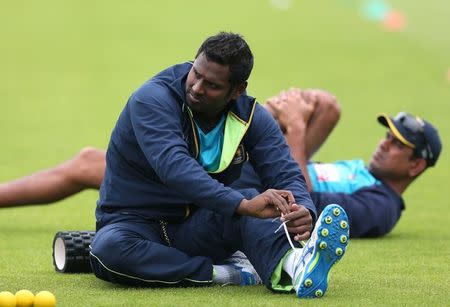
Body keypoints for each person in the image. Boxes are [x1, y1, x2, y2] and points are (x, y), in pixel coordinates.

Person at [81, 32, 347, 298]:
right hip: (133, 225)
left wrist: (304, 210)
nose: (196, 87)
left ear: (237, 90)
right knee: (107, 250)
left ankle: (297, 267)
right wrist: (240, 205)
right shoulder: (152, 99)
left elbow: (284, 171)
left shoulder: (252, 116)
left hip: (199, 228)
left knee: (255, 200)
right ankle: (227, 273)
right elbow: (175, 167)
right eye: (196, 74)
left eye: (212, 85)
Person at [0, 90, 442, 239]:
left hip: (233, 191)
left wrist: (296, 128)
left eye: (399, 145)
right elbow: (298, 160)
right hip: (239, 172)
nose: (385, 145)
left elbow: (303, 196)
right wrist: (308, 113)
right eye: (386, 135)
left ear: (416, 167)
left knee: (87, 165)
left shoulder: (382, 206)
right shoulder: (360, 170)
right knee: (326, 104)